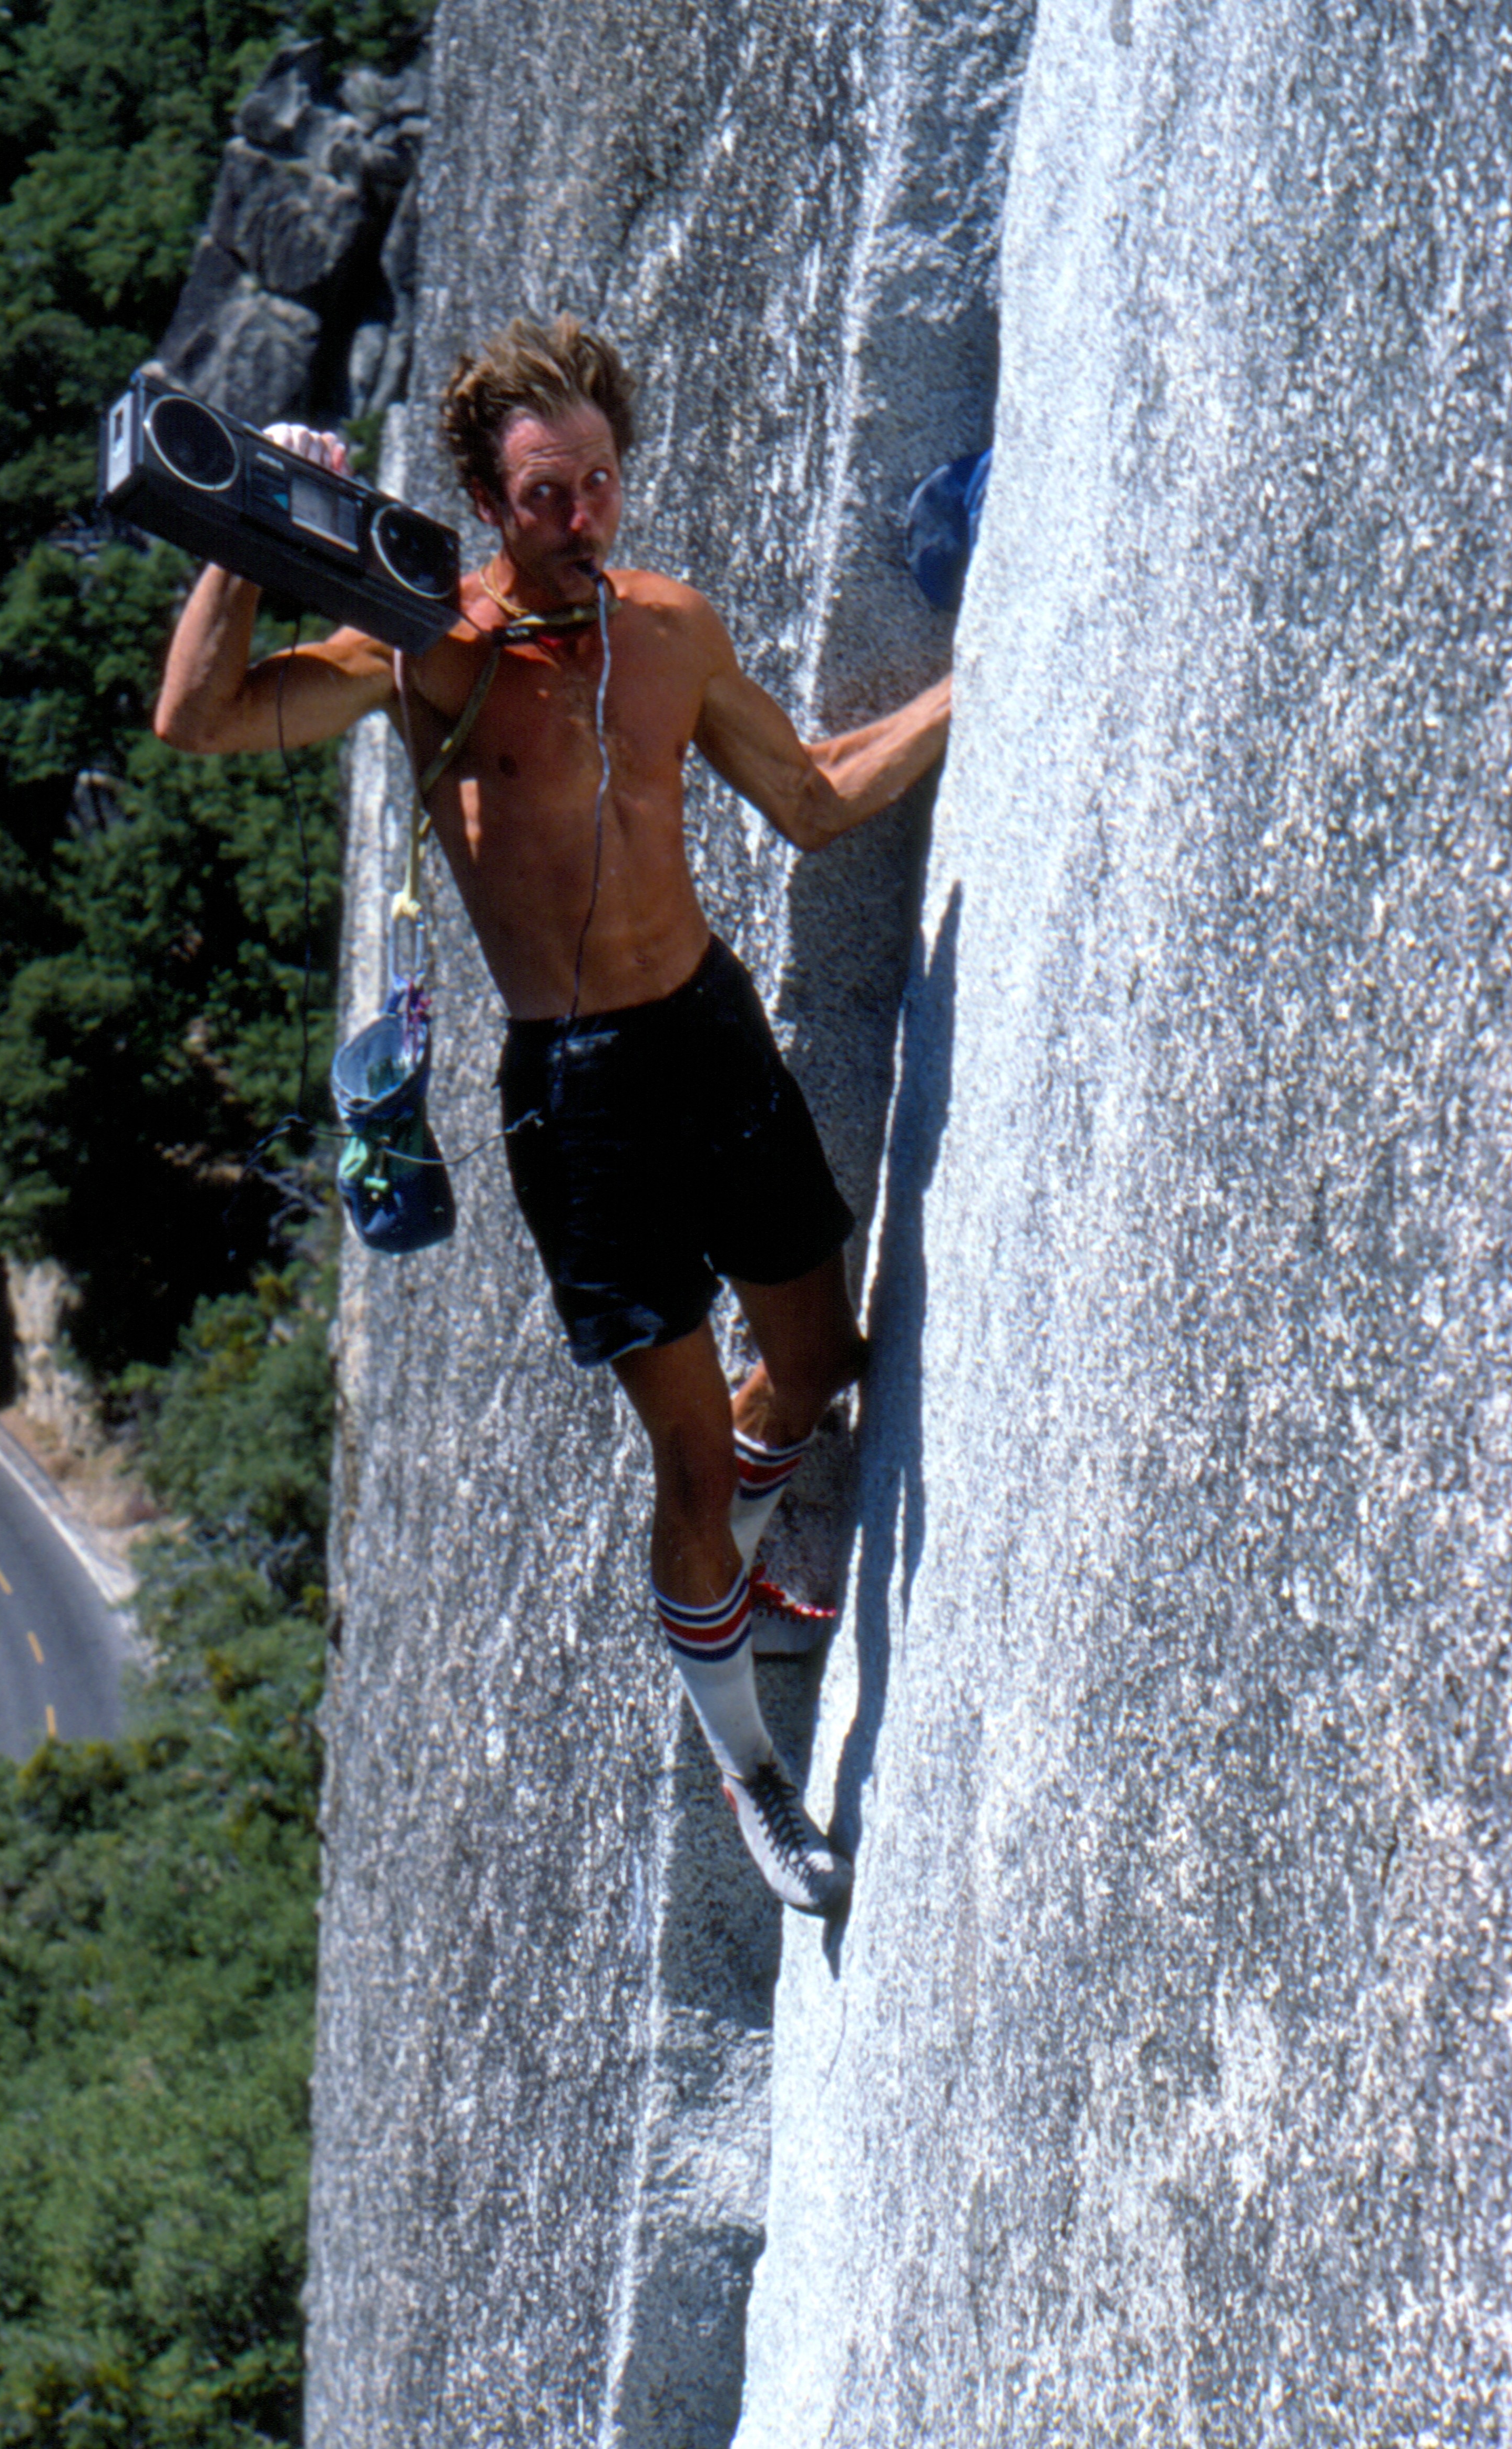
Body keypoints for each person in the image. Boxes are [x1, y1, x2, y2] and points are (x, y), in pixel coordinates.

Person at [154, 315, 950, 1914]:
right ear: (480, 495)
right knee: (677, 1469)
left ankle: (757, 1511)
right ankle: (752, 1774)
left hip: (708, 1027)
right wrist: (246, 536)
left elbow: (804, 797)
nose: (580, 517)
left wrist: (979, 678)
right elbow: (201, 716)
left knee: (814, 1359)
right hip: (576, 1094)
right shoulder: (419, 653)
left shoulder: (665, 629)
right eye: (541, 494)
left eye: (597, 482)